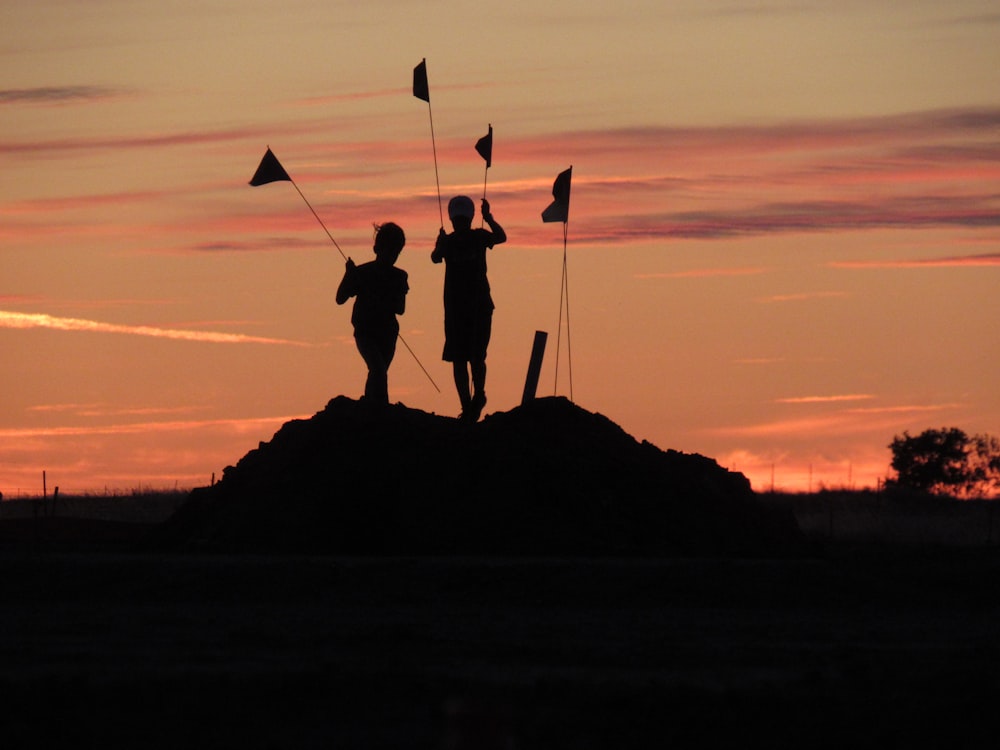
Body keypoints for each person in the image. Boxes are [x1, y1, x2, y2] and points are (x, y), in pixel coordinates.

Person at [431, 195, 506, 421]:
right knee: (465, 358)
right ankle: (469, 404)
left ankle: (475, 399)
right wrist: (440, 243)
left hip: (472, 308)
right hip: (462, 309)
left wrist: (489, 218)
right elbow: (435, 258)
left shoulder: (473, 238)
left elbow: (501, 237)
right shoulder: (459, 240)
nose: (460, 223)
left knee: (470, 357)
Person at [336, 222, 409, 406]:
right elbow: (340, 298)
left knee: (378, 371)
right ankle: (380, 409)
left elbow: (400, 308)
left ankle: (371, 406)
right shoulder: (362, 273)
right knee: (378, 370)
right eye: (389, 251)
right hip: (365, 332)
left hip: (388, 334)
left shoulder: (400, 276)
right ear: (377, 249)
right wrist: (349, 275)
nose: (392, 257)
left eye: (396, 253)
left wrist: (381, 298)